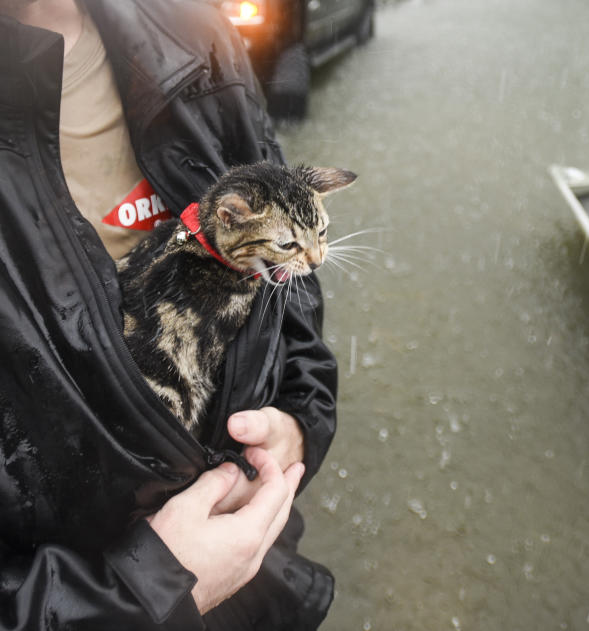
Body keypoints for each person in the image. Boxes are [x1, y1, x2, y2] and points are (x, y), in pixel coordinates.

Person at [0, 0, 339, 628]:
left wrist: (296, 428)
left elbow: (294, 303)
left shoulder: (196, 30)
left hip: (260, 584)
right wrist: (146, 592)